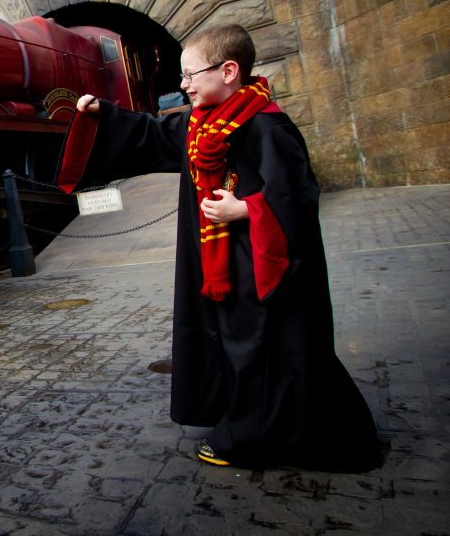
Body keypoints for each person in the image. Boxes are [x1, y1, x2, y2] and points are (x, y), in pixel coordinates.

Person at [56, 24, 381, 471]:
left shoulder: (267, 125)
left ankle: (250, 440)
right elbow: (150, 135)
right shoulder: (200, 122)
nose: (184, 85)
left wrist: (246, 210)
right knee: (238, 345)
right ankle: (261, 423)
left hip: (260, 264)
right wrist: (101, 115)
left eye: (191, 75)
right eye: (183, 77)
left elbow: (299, 196)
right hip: (220, 262)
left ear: (229, 70)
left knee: (260, 347)